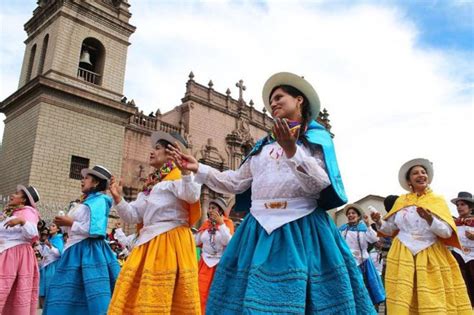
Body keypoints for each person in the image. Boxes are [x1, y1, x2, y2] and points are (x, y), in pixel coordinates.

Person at [168, 72, 376, 314]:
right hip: (258, 228)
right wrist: (199, 169)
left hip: (302, 226)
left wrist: (292, 151)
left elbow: (319, 183)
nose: (273, 103)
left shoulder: (314, 140)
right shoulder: (263, 147)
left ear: (299, 99)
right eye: (271, 101)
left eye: (279, 97)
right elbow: (236, 182)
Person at [108, 131, 202, 314]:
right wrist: (118, 199)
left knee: (163, 295)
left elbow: (191, 196)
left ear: (170, 153)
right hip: (149, 243)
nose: (152, 152)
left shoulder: (179, 177)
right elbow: (133, 215)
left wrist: (184, 172)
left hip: (171, 242)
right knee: (141, 294)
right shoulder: (152, 185)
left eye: (157, 148)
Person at [371, 158, 471, 314]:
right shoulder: (401, 201)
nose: (421, 175)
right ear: (409, 180)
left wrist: (429, 218)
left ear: (428, 178)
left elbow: (446, 232)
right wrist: (378, 221)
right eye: (415, 173)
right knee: (403, 296)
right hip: (402, 254)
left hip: (430, 253)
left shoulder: (436, 200)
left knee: (432, 296)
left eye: (423, 172)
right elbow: (390, 229)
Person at [43, 165, 120, 315]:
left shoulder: (100, 201)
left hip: (88, 251)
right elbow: (73, 227)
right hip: (74, 249)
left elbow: (95, 230)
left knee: (89, 291)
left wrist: (69, 223)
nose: (82, 180)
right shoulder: (84, 202)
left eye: (86, 178)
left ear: (96, 183)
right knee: (66, 290)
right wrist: (64, 224)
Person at [0, 185, 41, 315]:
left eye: (16, 194)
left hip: (16, 255)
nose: (12, 195)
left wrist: (22, 221)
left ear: (23, 200)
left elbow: (33, 234)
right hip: (7, 253)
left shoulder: (28, 212)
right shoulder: (14, 212)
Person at [339, 204, 385, 307]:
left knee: (367, 287)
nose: (350, 215)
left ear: (358, 216)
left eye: (353, 213)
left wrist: (368, 225)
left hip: (363, 262)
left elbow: (374, 239)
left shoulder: (364, 228)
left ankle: (370, 308)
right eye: (349, 213)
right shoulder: (342, 229)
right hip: (347, 261)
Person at [195, 197, 234, 314]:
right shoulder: (206, 225)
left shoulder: (227, 224)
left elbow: (229, 242)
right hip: (204, 264)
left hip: (219, 265)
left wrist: (221, 224)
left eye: (214, 208)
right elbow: (196, 241)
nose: (210, 210)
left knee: (215, 292)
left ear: (221, 210)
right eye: (210, 208)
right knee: (200, 292)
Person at [451, 191, 474, 307]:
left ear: (470, 207)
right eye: (458, 205)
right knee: (461, 285)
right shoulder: (454, 223)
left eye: (463, 204)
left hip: (473, 258)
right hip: (459, 256)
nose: (459, 207)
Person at [38, 222, 64, 308]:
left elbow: (58, 254)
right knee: (43, 289)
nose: (50, 227)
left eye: (53, 226)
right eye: (50, 226)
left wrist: (50, 246)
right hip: (45, 266)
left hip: (53, 266)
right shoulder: (48, 239)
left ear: (58, 229)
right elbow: (44, 253)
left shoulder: (58, 240)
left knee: (50, 288)